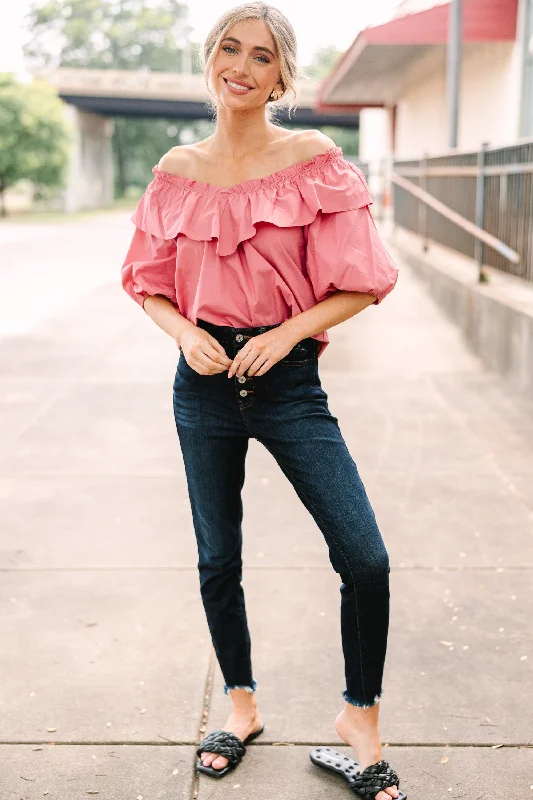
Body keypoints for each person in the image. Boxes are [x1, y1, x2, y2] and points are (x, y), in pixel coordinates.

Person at [121, 4, 405, 799]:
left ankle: (359, 718)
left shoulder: (312, 159)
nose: (240, 65)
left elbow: (363, 279)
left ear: (282, 75)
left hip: (286, 384)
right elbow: (144, 282)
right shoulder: (177, 167)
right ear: (210, 59)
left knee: (365, 558)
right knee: (219, 557)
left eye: (260, 55)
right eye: (228, 49)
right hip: (201, 386)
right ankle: (239, 706)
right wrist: (182, 332)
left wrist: (287, 334)